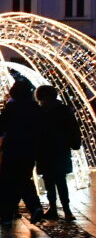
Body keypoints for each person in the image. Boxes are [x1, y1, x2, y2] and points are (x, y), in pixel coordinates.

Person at [0, 81, 43, 224]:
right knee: (23, 179)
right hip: (29, 151)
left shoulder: (11, 108)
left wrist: (1, 139)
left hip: (12, 149)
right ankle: (34, 206)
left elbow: (0, 127)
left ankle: (6, 215)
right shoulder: (35, 108)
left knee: (7, 182)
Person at [35, 85, 81, 221]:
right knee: (59, 180)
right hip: (60, 149)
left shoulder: (42, 111)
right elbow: (74, 128)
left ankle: (56, 208)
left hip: (47, 151)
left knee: (52, 180)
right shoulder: (64, 110)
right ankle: (64, 209)